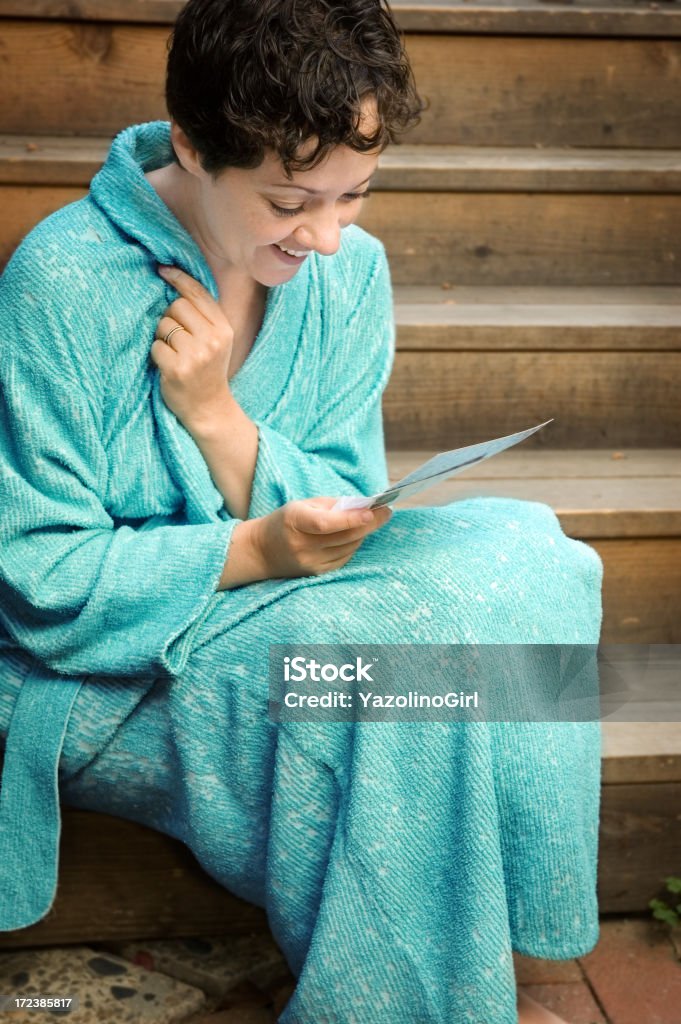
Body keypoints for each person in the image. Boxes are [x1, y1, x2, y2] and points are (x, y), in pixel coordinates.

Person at [0, 1, 604, 1021]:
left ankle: (495, 939)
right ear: (193, 147)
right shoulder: (62, 285)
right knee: (385, 662)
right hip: (109, 661)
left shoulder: (347, 271)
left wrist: (221, 422)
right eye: (290, 201)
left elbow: (344, 485)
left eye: (353, 197)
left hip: (286, 583)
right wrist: (254, 546)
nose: (325, 236)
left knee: (536, 552)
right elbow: (40, 577)